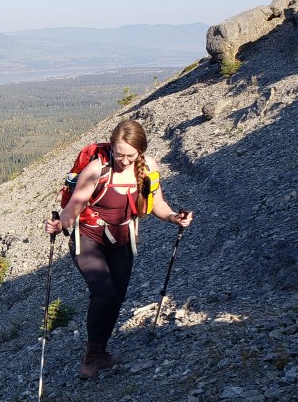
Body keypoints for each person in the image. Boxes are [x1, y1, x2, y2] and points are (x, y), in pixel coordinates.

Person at [45, 119, 192, 379]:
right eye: (119, 154)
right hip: (88, 237)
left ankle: (100, 352)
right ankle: (91, 357)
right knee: (103, 293)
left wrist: (173, 218)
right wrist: (60, 224)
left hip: (122, 239)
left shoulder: (149, 168)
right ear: (112, 147)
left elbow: (156, 203)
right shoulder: (96, 169)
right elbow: (74, 206)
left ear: (140, 151)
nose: (124, 161)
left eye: (130, 156)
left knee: (116, 296)